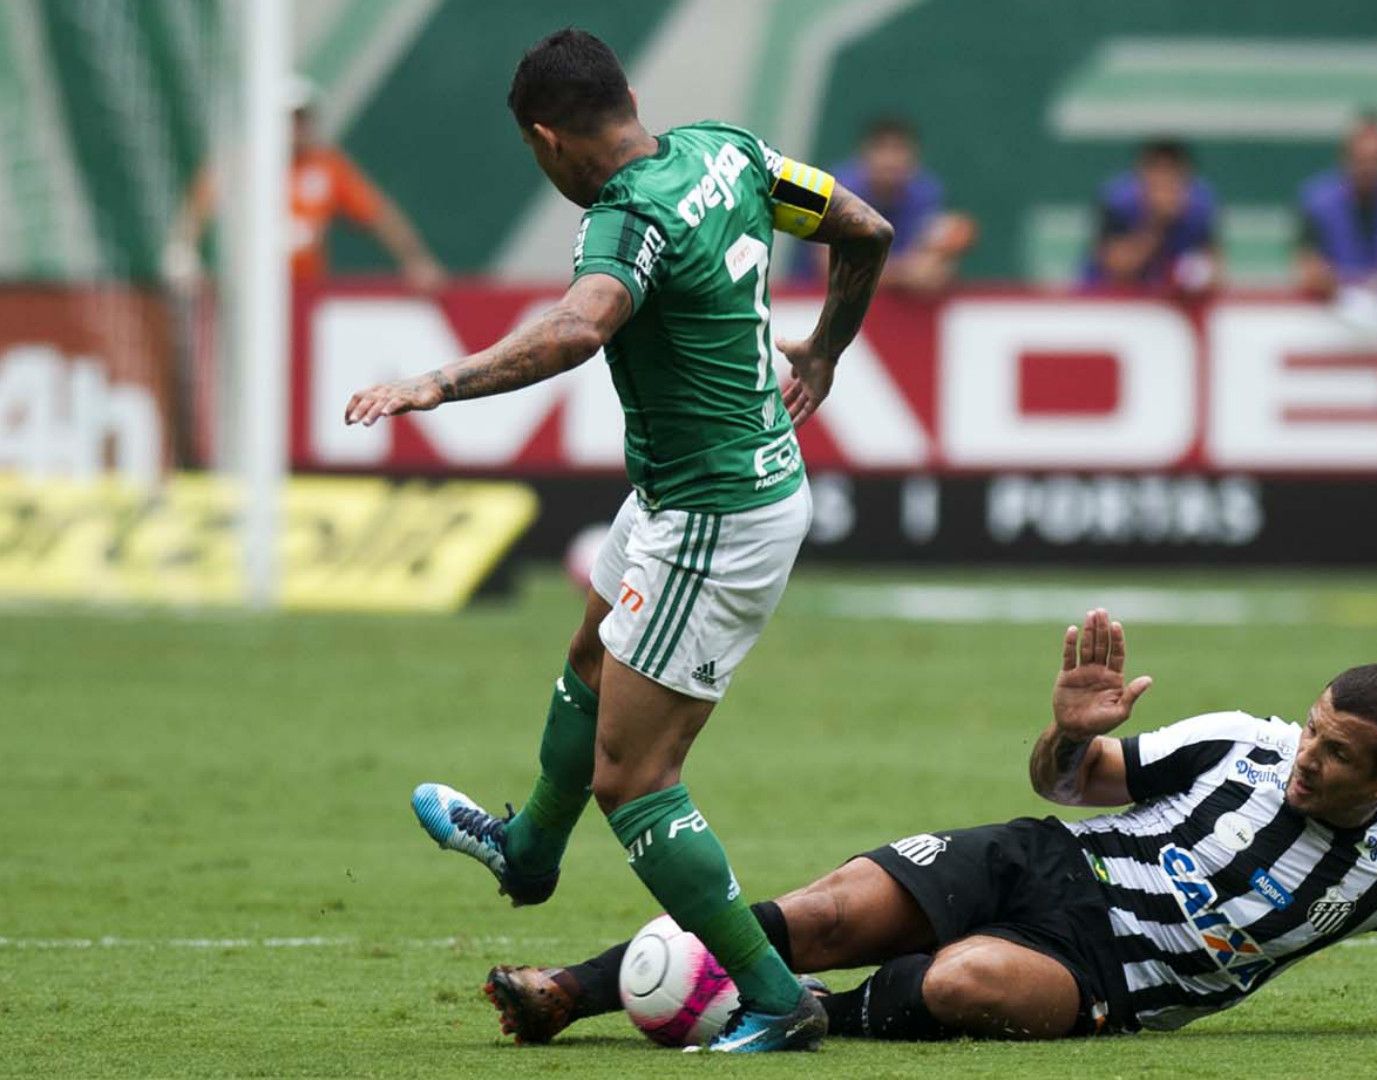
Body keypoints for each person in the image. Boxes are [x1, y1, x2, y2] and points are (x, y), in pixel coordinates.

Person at [341, 28, 893, 1053]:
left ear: (545, 139)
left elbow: (577, 329)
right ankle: (525, 852)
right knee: (591, 655)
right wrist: (824, 349)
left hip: (717, 517)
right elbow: (865, 229)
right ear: (630, 97)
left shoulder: (625, 218)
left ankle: (779, 1002)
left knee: (634, 779)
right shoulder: (731, 150)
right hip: (681, 489)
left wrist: (435, 381)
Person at [480, 609, 1377, 1044]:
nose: (1305, 758)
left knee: (963, 985)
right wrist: (1069, 733)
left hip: (1109, 972)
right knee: (825, 912)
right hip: (1044, 855)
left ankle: (811, 1023)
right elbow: (1075, 783)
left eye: (1336, 756)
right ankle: (562, 994)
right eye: (1314, 727)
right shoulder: (1240, 739)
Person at [162, 78, 445, 292]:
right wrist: (182, 251)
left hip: (305, 292)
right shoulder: (238, 164)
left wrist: (416, 259)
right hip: (243, 293)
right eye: (290, 118)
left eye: (302, 118)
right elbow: (196, 210)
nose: (296, 128)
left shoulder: (326, 167)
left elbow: (379, 215)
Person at [792, 117, 975, 295]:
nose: (891, 160)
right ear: (864, 154)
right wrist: (904, 274)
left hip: (892, 306)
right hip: (819, 302)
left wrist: (940, 261)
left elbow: (935, 265)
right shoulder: (836, 190)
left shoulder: (925, 193)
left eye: (899, 150)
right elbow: (831, 268)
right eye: (882, 149)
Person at [1296, 111, 1377, 299]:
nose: (1369, 169)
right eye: (1362, 160)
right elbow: (1308, 268)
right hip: (1331, 312)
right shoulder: (1318, 203)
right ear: (1345, 158)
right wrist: (1347, 287)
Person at [1084, 140, 1219, 292]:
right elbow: (1117, 269)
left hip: (1168, 300)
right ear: (1140, 173)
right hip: (1105, 299)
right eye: (1156, 171)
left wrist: (1195, 276)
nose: (1164, 180)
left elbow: (1215, 270)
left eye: (1172, 172)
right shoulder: (1118, 201)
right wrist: (1156, 223)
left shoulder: (1200, 207)